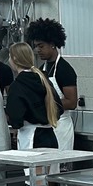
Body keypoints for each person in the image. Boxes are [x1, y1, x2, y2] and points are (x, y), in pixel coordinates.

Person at [25, 18, 78, 151]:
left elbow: (71, 102)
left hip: (61, 127)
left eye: (41, 46)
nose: (37, 50)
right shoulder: (43, 68)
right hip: (46, 126)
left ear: (53, 44)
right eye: (36, 46)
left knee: (60, 167)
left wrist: (45, 103)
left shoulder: (64, 70)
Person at [5, 42, 60, 149]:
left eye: (9, 57)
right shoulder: (43, 78)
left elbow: (16, 119)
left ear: (15, 59)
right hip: (50, 136)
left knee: (33, 166)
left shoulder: (17, 85)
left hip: (32, 139)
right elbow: (59, 107)